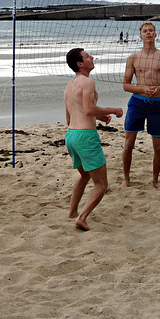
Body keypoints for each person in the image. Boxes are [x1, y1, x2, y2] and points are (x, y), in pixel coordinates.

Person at [64, 48, 123, 230]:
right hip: (85, 137)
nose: (92, 57)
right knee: (101, 184)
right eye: (87, 56)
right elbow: (89, 109)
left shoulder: (69, 86)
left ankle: (73, 211)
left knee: (84, 175)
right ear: (80, 64)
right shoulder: (88, 82)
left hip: (71, 135)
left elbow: (72, 116)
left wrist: (99, 117)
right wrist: (112, 110)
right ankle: (82, 217)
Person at [122, 22, 160, 188]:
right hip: (137, 102)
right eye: (145, 31)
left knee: (158, 147)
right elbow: (126, 85)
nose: (148, 33)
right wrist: (142, 88)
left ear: (155, 35)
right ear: (141, 36)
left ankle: (155, 180)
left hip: (157, 104)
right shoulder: (133, 57)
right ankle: (126, 178)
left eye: (151, 30)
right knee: (129, 143)